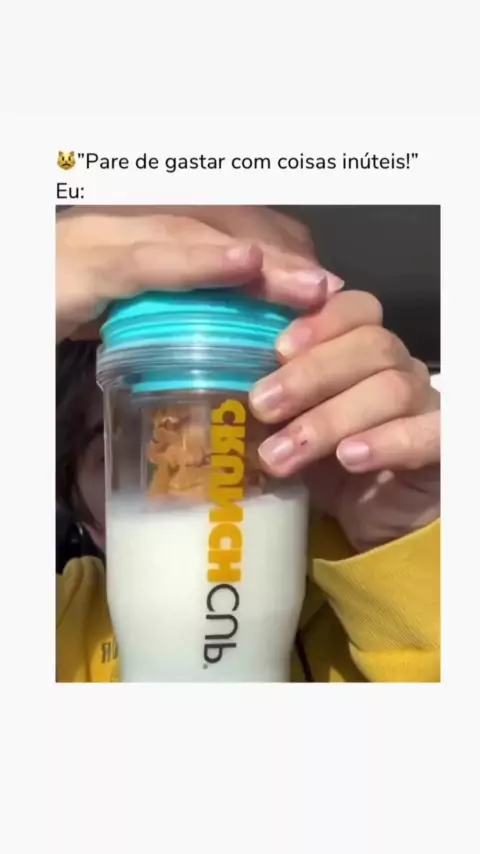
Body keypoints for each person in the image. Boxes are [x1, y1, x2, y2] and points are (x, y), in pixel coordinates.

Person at [56, 205, 440, 683]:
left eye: (235, 450)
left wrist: (409, 551)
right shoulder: (63, 624)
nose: (196, 479)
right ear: (86, 516)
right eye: (141, 453)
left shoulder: (368, 621)